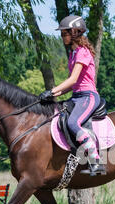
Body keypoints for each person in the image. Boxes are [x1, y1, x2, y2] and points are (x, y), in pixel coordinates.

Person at [39, 15, 105, 176]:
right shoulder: (73, 54)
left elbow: (73, 79)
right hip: (76, 96)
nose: (62, 37)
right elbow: (71, 86)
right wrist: (51, 95)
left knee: (73, 122)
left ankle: (96, 161)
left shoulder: (83, 52)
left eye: (64, 34)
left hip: (88, 96)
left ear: (75, 32)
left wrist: (53, 91)